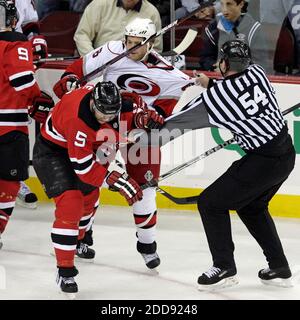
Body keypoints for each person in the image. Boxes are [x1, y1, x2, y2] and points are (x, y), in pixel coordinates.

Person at [141, 39, 295, 289]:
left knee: (210, 203)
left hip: (263, 161)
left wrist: (136, 138)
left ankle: (224, 266)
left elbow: (174, 125)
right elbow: (235, 89)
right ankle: (279, 266)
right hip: (285, 154)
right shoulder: (258, 73)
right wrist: (210, 83)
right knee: (252, 207)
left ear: (223, 63)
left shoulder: (213, 100)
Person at [52, 17, 198, 270]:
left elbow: (163, 114)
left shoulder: (172, 76)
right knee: (89, 183)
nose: (130, 48)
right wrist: (69, 81)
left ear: (151, 43)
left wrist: (151, 120)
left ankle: (147, 244)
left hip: (138, 133)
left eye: (136, 44)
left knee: (145, 191)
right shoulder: (112, 50)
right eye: (127, 42)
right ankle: (83, 237)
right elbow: (76, 70)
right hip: (103, 124)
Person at [32, 81, 164, 296]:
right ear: (93, 102)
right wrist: (116, 180)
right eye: (102, 114)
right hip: (54, 152)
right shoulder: (79, 119)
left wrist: (144, 119)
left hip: (92, 147)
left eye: (111, 115)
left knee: (90, 198)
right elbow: (84, 169)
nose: (105, 118)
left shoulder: (120, 104)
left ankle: (79, 240)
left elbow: (135, 113)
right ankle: (65, 271)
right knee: (71, 204)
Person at [0, 0, 53, 249]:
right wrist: (37, 100)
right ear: (13, 20)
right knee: (9, 182)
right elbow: (22, 80)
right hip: (9, 126)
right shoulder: (15, 42)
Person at [13, 0, 49, 209]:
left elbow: (29, 24)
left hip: (15, 57)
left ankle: (15, 179)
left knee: (16, 121)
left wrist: (36, 42)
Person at [199, 0, 272, 73]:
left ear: (241, 4)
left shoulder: (254, 29)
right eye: (222, 4)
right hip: (218, 78)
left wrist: (232, 68)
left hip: (245, 80)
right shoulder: (213, 27)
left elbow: (261, 63)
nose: (224, 9)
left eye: (229, 4)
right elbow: (205, 58)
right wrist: (214, 66)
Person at [73, 0, 162, 56]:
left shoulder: (152, 13)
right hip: (100, 63)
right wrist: (92, 57)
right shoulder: (99, 4)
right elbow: (82, 35)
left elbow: (155, 49)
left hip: (135, 67)